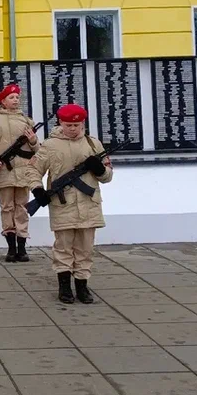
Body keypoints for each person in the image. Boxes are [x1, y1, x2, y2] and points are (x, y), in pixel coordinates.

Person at [32, 104, 113, 305]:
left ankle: (82, 286)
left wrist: (100, 170)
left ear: (83, 123)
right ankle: (65, 287)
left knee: (85, 249)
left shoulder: (93, 145)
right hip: (63, 205)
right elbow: (32, 171)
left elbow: (108, 176)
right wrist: (38, 190)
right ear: (60, 123)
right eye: (69, 125)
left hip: (89, 204)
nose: (73, 129)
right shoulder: (50, 146)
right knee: (64, 248)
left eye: (77, 125)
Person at [0, 83, 40, 263]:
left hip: (23, 171)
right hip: (4, 171)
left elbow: (37, 150)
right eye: (11, 98)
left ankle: (22, 248)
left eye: (17, 97)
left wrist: (34, 140)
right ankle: (11, 248)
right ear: (3, 101)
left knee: (22, 209)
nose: (15, 100)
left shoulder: (27, 121)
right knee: (7, 208)